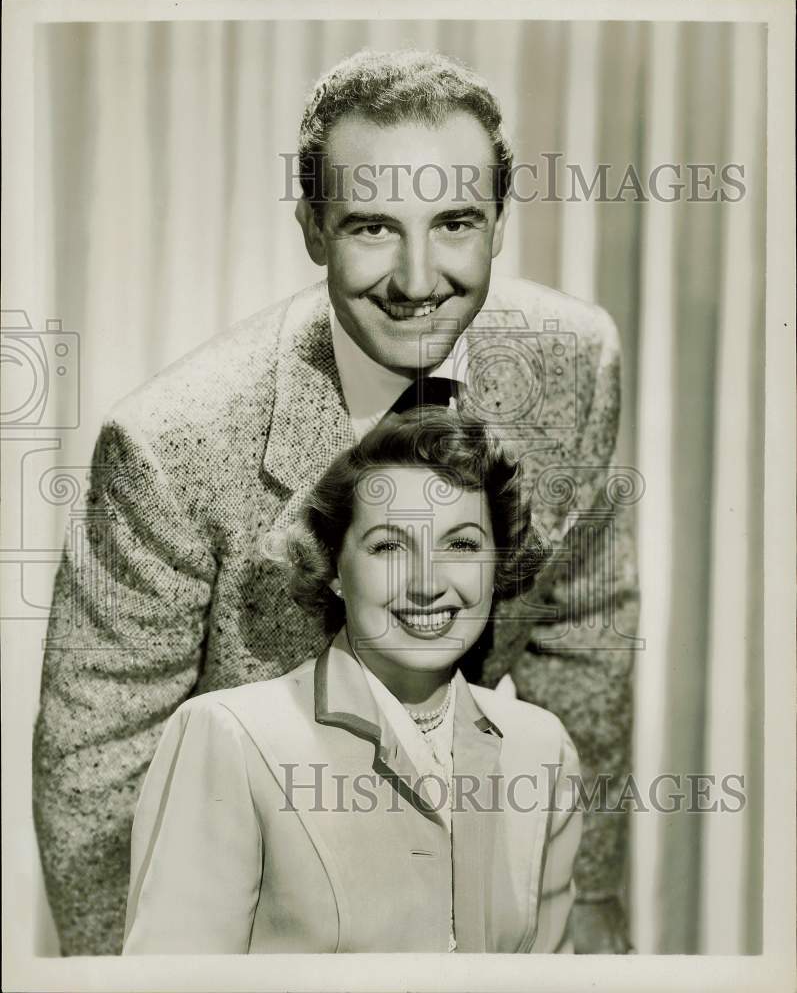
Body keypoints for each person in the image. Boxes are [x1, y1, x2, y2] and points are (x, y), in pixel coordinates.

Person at [33, 48, 638, 956]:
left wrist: (586, 906)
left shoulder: (571, 361)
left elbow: (580, 638)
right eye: (370, 227)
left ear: (501, 221)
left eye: (456, 222)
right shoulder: (169, 447)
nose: (416, 277)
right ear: (312, 229)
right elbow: (94, 772)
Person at [122, 408, 582, 954]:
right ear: (335, 569)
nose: (428, 584)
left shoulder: (541, 748)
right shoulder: (231, 737)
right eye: (389, 547)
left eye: (460, 545)